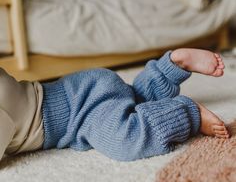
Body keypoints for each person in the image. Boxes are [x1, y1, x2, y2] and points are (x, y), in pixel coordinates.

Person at [0, 48, 230, 162]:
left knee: (124, 138)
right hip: (79, 89)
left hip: (82, 110)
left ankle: (187, 112)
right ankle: (170, 67)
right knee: (135, 100)